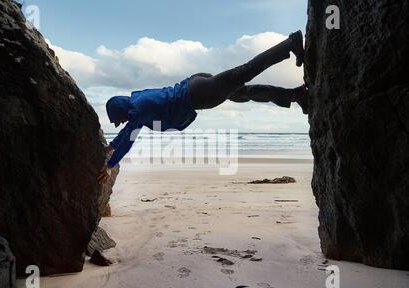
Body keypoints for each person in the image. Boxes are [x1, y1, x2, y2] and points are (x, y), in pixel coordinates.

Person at [98, 30, 308, 184]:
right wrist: (111, 147)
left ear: (121, 111)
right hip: (196, 83)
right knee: (245, 93)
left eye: (120, 118)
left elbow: (129, 138)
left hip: (200, 95)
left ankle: (290, 43)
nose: (123, 122)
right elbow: (126, 134)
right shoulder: (136, 99)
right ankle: (295, 95)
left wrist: (109, 165)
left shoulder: (138, 111)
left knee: (245, 72)